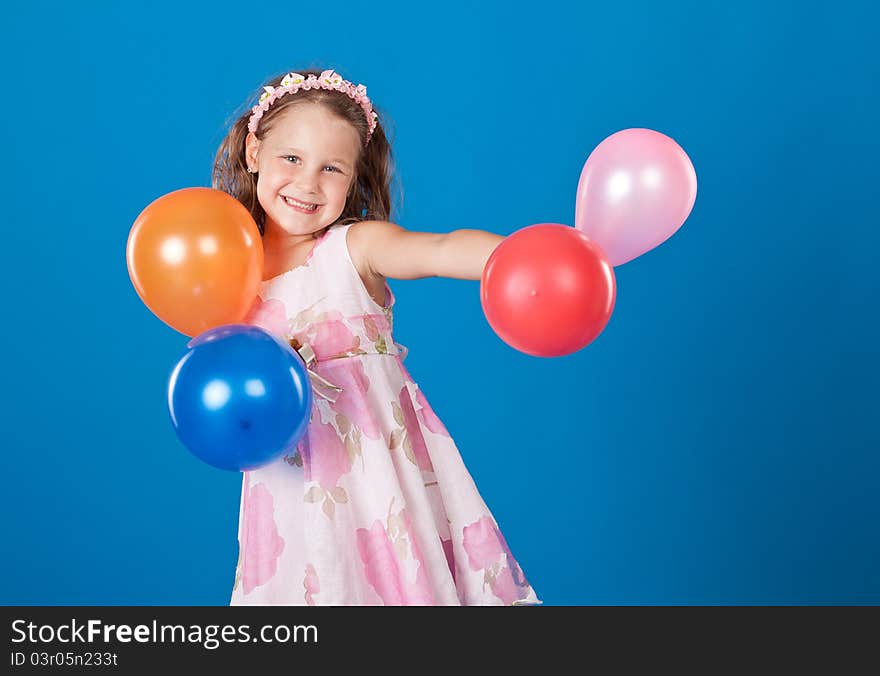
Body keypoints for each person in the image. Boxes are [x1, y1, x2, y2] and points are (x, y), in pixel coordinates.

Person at [213, 67, 541, 606]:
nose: (307, 183)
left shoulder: (355, 247)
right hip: (289, 492)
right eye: (290, 158)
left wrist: (523, 258)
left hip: (379, 478)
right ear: (254, 152)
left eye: (331, 168)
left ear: (354, 176)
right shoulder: (229, 274)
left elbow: (438, 250)